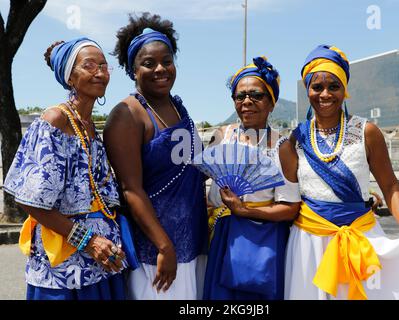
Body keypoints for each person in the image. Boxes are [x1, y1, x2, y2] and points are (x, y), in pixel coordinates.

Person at [282, 44, 399, 300]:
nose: (325, 94)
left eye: (334, 86)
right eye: (317, 87)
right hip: (309, 243)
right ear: (308, 91)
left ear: (344, 91)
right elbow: (289, 199)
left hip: (362, 236)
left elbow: (390, 185)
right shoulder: (295, 140)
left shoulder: (367, 131)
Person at [3, 37, 128, 300]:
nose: (100, 73)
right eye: (89, 66)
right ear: (70, 77)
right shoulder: (55, 120)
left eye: (104, 66)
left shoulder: (91, 127)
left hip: (100, 265)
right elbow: (30, 201)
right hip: (63, 270)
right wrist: (89, 241)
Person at [104, 13, 208, 300]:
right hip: (157, 251)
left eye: (167, 60)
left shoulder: (179, 107)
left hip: (191, 239)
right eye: (149, 63)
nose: (161, 69)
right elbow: (130, 189)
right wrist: (164, 246)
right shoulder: (127, 115)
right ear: (132, 69)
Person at [202, 56, 301, 300]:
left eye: (256, 95)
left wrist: (244, 211)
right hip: (221, 234)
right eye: (240, 96)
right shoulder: (222, 135)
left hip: (260, 239)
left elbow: (290, 208)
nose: (247, 101)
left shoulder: (281, 147)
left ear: (271, 102)